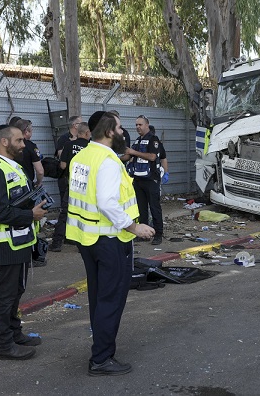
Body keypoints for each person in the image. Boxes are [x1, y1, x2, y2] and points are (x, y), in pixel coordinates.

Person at [66, 112, 155, 376]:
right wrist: (134, 226)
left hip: (88, 239)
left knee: (98, 298)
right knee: (110, 299)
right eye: (118, 127)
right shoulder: (107, 160)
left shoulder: (81, 156)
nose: (122, 131)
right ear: (108, 131)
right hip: (109, 240)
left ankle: (101, 350)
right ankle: (102, 358)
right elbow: (106, 202)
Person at [0, 125, 47, 359]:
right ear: (5, 142)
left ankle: (14, 333)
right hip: (4, 244)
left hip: (19, 241)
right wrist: (31, 215)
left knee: (16, 290)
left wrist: (35, 206)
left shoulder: (14, 166)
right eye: (19, 140)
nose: (23, 144)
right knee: (5, 295)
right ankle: (3, 345)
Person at [50, 122, 91, 252]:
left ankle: (57, 243)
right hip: (87, 186)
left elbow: (62, 165)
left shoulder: (69, 145)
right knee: (84, 214)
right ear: (86, 133)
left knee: (65, 213)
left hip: (73, 184)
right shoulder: (91, 147)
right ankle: (83, 243)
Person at [123, 115, 164, 245]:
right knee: (141, 209)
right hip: (138, 179)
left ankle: (158, 234)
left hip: (151, 179)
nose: (137, 127)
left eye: (140, 125)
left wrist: (133, 152)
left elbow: (152, 157)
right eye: (136, 125)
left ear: (147, 125)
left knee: (154, 207)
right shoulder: (137, 141)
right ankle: (143, 233)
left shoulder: (153, 139)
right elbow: (128, 156)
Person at [14, 119, 44, 187]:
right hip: (26, 184)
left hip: (11, 183)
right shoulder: (31, 146)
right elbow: (40, 171)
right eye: (32, 130)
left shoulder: (10, 145)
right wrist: (38, 182)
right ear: (26, 132)